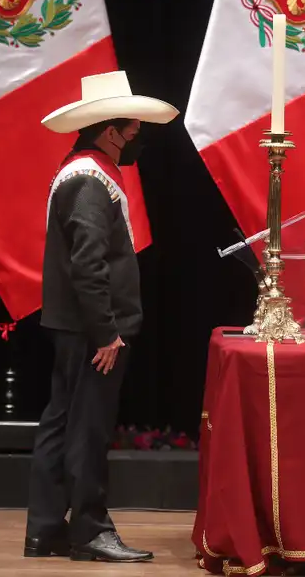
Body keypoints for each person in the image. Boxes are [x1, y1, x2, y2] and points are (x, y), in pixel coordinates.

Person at [24, 71, 178, 562]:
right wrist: (107, 332)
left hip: (76, 327)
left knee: (62, 423)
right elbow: (87, 264)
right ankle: (88, 530)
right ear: (109, 131)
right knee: (87, 429)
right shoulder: (90, 179)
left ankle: (45, 530)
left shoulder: (82, 170)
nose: (137, 137)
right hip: (93, 331)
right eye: (133, 129)